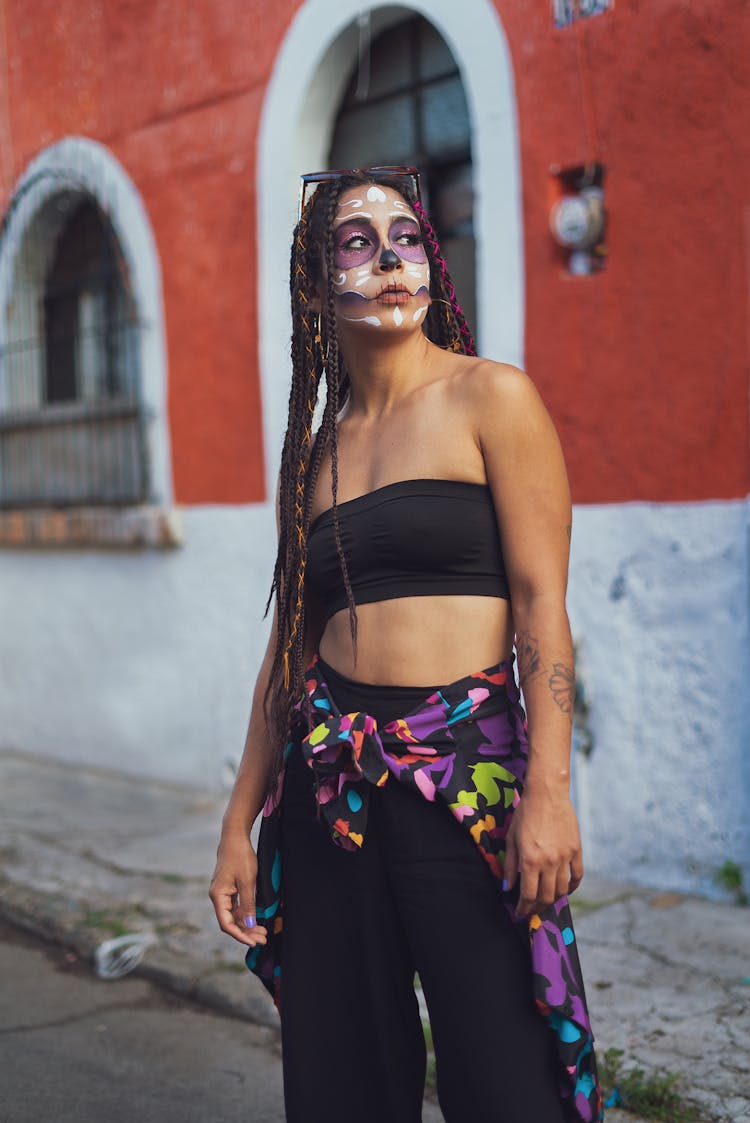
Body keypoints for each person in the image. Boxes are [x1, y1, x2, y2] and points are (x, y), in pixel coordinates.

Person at [210, 166, 602, 1123]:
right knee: (343, 1065)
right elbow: (292, 642)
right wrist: (238, 817)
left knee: (504, 1066)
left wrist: (547, 791)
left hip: (468, 783)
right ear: (316, 281)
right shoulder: (316, 453)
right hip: (329, 784)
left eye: (407, 237)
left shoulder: (491, 399)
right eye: (355, 240)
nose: (388, 258)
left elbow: (543, 604)